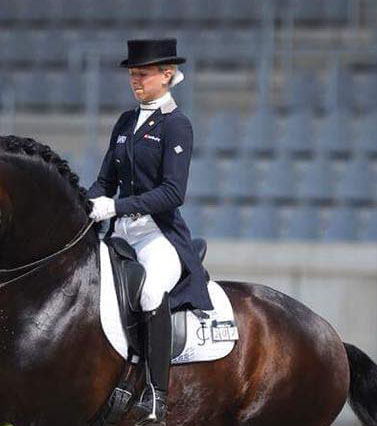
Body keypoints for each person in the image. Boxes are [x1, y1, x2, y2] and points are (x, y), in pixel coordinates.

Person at [87, 38, 213, 425]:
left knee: (150, 291)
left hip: (158, 234)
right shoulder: (126, 122)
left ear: (168, 75)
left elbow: (173, 193)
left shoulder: (177, 126)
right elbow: (104, 182)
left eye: (142, 74)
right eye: (132, 75)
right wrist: (82, 205)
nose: (135, 81)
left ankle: (156, 395)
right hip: (122, 233)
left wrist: (117, 206)